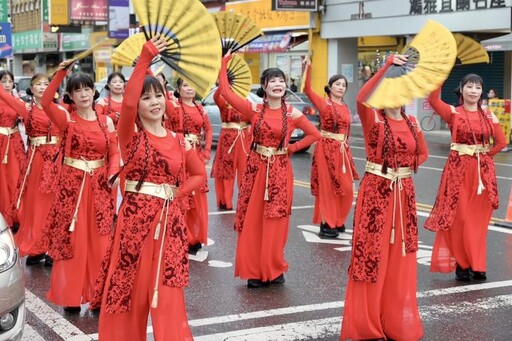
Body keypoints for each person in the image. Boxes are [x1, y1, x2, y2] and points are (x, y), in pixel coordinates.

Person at [92, 36, 204, 341]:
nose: (154, 102)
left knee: (167, 294)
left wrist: (175, 195)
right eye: (147, 98)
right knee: (129, 290)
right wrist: (145, 57)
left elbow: (199, 175)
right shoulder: (130, 136)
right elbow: (126, 101)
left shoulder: (180, 140)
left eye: (159, 96)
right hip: (135, 225)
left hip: (170, 225)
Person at [340, 54, 428, 340]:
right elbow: (362, 97)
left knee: (399, 257)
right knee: (372, 256)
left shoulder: (413, 122)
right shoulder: (373, 119)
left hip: (404, 195)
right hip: (376, 193)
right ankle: (367, 325)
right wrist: (387, 65)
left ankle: (393, 322)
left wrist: (404, 169)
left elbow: (422, 153)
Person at [218, 51, 321, 288]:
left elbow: (315, 134)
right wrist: (224, 64)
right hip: (256, 169)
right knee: (253, 221)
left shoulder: (292, 113)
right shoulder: (253, 110)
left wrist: (291, 149)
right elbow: (225, 92)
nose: (278, 84)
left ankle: (274, 269)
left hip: (280, 172)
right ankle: (254, 270)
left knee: (276, 222)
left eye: (281, 80)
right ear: (264, 87)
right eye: (272, 81)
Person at [39, 61, 119, 310]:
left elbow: (114, 151)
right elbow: (44, 102)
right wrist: (61, 72)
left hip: (99, 189)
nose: (83, 94)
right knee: (73, 242)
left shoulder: (106, 121)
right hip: (72, 190)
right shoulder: (66, 119)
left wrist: (113, 172)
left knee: (101, 243)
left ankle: (98, 296)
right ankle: (71, 296)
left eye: (87, 89)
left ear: (94, 92)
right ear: (71, 96)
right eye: (77, 90)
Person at [425, 74, 506, 281]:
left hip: (482, 175)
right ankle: (462, 263)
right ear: (461, 90)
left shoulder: (488, 115)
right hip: (457, 172)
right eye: (469, 86)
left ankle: (477, 265)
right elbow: (433, 100)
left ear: (481, 91)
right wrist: (441, 76)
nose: (473, 91)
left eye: (478, 87)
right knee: (459, 219)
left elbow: (501, 142)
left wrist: (485, 156)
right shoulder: (453, 112)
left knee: (477, 222)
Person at [0, 73, 60, 266]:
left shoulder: (62, 109)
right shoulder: (26, 109)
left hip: (57, 161)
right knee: (36, 205)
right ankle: (38, 245)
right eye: (38, 84)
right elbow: (4, 94)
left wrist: (61, 73)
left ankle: (53, 246)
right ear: (31, 89)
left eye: (46, 84)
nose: (43, 87)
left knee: (56, 204)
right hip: (36, 161)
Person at [303, 58, 359, 238]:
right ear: (330, 87)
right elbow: (307, 89)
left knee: (347, 189)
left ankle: (338, 219)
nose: (341, 87)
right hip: (326, 148)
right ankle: (327, 223)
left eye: (344, 85)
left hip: (342, 150)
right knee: (328, 188)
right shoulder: (324, 104)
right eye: (337, 84)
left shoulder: (345, 106)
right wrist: (308, 67)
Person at [164, 77, 212, 254]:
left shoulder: (200, 109)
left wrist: (207, 151)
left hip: (196, 156)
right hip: (179, 155)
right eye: (185, 85)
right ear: (178, 88)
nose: (189, 88)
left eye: (192, 84)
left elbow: (208, 129)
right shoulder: (173, 106)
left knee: (198, 198)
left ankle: (195, 237)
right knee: (183, 197)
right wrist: (148, 70)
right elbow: (159, 94)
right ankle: (184, 236)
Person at [210, 86, 252, 210]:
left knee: (245, 171)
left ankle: (246, 201)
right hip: (228, 140)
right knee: (227, 171)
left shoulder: (247, 104)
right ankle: (226, 201)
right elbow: (216, 97)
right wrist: (223, 85)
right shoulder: (224, 103)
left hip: (244, 139)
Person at [0, 70, 26, 228]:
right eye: (4, 81)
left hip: (15, 141)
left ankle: (18, 214)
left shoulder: (17, 100)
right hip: (1, 142)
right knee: (3, 179)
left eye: (10, 81)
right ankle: (5, 215)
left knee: (17, 178)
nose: (8, 84)